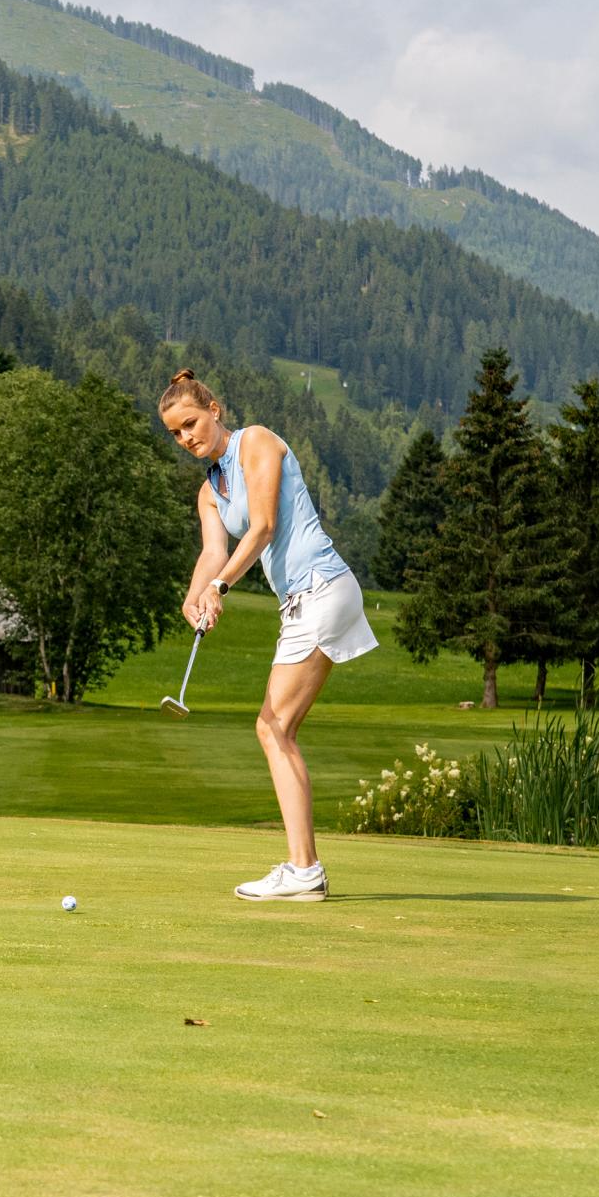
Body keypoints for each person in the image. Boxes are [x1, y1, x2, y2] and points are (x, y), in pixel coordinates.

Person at [159, 369, 378, 900]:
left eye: (191, 423)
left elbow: (262, 527)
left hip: (320, 587)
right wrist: (195, 597)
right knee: (278, 729)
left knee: (272, 728)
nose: (187, 437)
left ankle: (305, 871)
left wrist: (221, 588)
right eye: (175, 433)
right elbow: (213, 553)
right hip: (307, 599)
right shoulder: (209, 493)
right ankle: (305, 869)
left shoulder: (256, 441)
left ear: (214, 409)